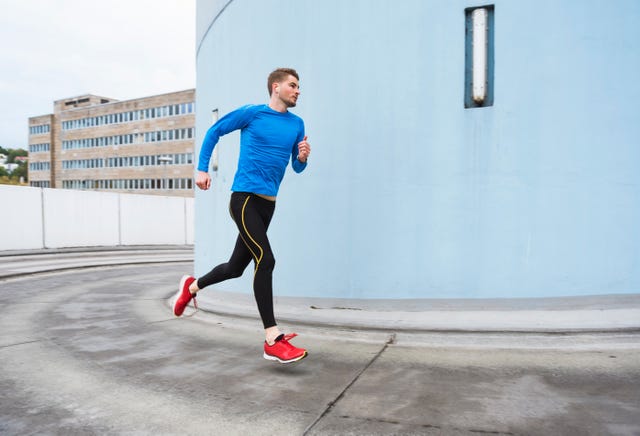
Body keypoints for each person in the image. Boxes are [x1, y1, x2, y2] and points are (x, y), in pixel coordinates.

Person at [173, 68, 311, 364]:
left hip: (268, 204)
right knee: (267, 259)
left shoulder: (297, 124)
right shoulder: (252, 114)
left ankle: (192, 287)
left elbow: (296, 168)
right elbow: (215, 131)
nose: (298, 90)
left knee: (236, 267)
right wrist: (201, 169)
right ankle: (272, 338)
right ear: (276, 87)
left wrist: (302, 158)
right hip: (244, 198)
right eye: (293, 85)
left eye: (299, 86)